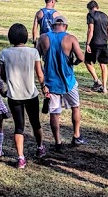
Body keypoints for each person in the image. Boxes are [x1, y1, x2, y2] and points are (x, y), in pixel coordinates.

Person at [36, 14, 86, 147]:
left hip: (50, 82)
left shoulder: (43, 38)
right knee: (75, 107)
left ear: (52, 26)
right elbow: (81, 57)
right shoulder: (70, 38)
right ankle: (76, 135)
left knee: (54, 113)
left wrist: (42, 76)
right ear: (65, 26)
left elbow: (36, 59)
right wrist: (73, 62)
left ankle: (57, 141)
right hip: (68, 81)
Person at [0, 23, 46, 168]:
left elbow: (2, 74)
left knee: (18, 126)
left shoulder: (5, 53)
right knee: (35, 123)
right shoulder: (33, 52)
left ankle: (20, 157)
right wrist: (44, 87)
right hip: (31, 93)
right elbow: (39, 74)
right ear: (25, 37)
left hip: (14, 95)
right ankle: (40, 147)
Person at [84, 0, 108, 93]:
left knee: (87, 61)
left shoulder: (90, 15)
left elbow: (90, 30)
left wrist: (88, 43)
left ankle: (96, 80)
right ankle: (104, 87)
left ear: (89, 8)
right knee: (103, 65)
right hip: (103, 43)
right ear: (97, 6)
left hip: (94, 43)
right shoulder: (105, 15)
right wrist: (106, 39)